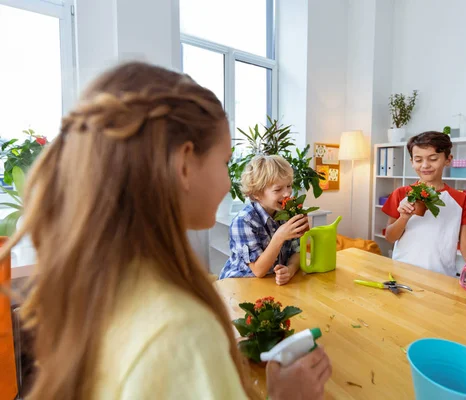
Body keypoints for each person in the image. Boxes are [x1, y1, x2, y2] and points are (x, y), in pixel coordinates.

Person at [3, 62, 331, 399]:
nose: (227, 181)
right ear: (184, 165)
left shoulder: (105, 287)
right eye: (223, 162)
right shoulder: (182, 331)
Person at [382, 131, 466, 282]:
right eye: (418, 160)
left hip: (441, 278)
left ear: (448, 159)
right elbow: (390, 237)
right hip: (402, 273)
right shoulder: (401, 194)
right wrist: (404, 217)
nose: (425, 165)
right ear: (412, 162)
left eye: (433, 159)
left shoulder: (462, 200)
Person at [219, 155, 309, 285]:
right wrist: (279, 237)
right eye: (278, 189)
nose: (287, 194)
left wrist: (290, 270)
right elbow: (258, 271)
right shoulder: (244, 221)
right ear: (257, 194)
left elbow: (297, 251)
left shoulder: (287, 213)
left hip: (269, 283)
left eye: (289, 186)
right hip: (239, 284)